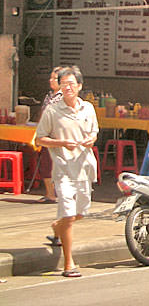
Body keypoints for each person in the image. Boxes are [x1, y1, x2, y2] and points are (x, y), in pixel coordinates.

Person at [35, 65, 98, 278]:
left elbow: (94, 132)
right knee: (69, 216)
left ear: (79, 86)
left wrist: (90, 140)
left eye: (71, 84)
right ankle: (68, 263)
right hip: (63, 169)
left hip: (84, 168)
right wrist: (61, 142)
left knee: (80, 213)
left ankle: (57, 226)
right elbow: (39, 138)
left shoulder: (88, 108)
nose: (67, 88)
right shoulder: (52, 111)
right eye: (64, 84)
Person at [36, 66, 65, 203]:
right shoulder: (49, 96)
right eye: (51, 77)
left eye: (54, 78)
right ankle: (50, 193)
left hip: (58, 136)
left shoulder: (64, 96)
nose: (51, 80)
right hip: (46, 135)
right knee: (46, 163)